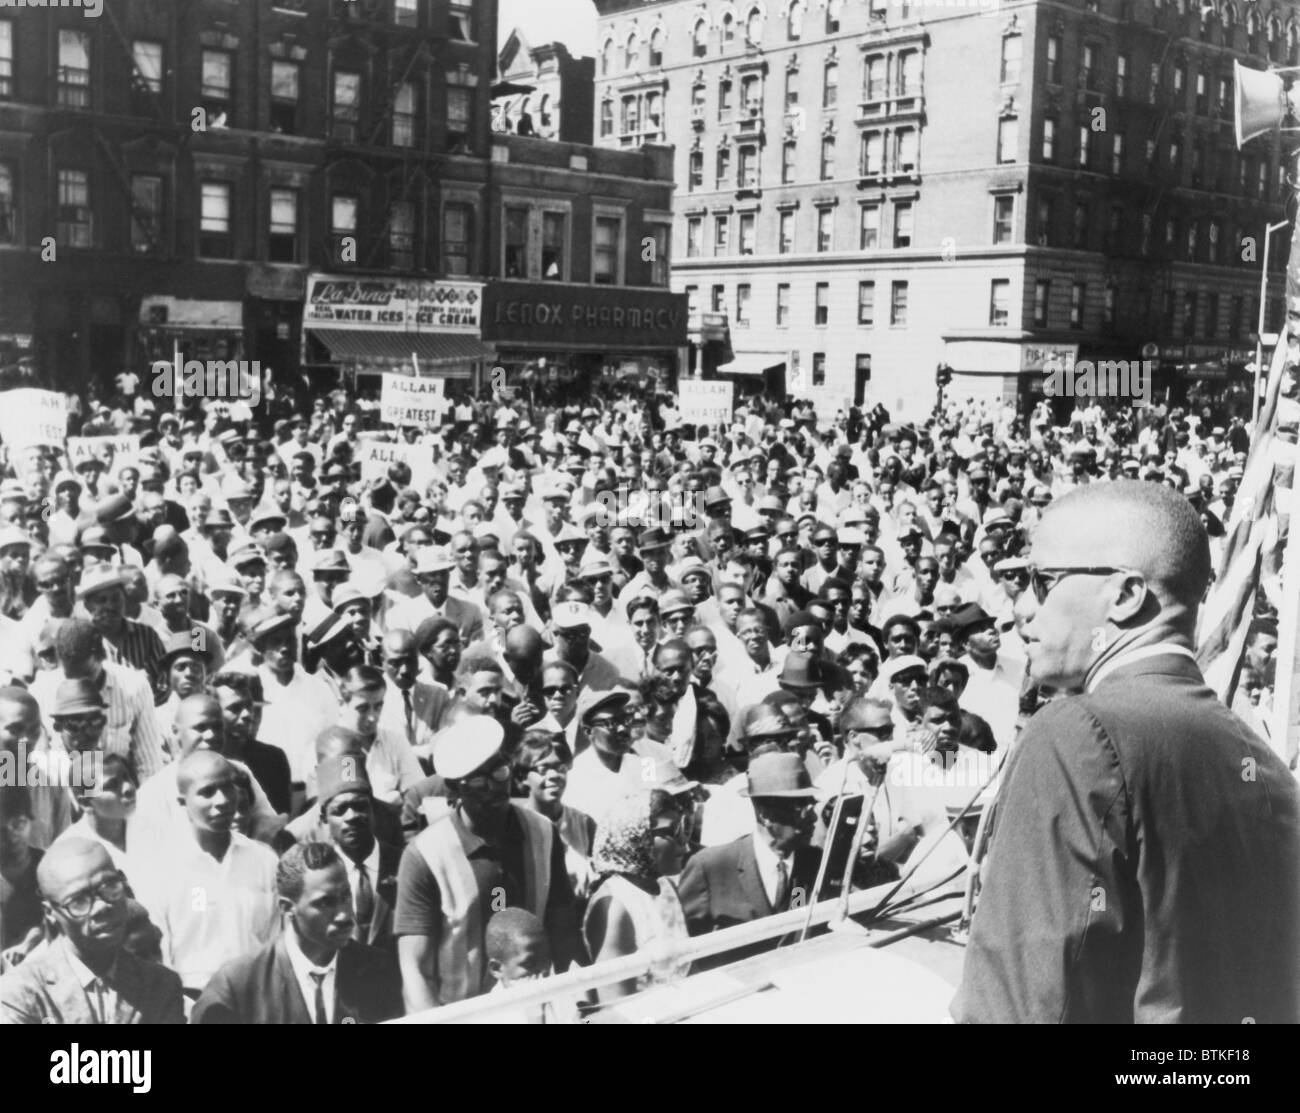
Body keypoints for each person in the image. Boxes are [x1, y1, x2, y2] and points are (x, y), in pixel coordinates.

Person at [954, 481, 1300, 1024]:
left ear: (1124, 596)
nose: (1022, 608)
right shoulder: (1267, 765)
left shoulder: (1075, 735)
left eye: (1041, 582)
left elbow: (1018, 1009)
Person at [393, 718, 583, 1011]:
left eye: (499, 770)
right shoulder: (424, 855)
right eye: (480, 780)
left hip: (535, 1008)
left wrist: (581, 1007)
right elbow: (414, 971)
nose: (494, 786)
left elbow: (565, 936)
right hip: (459, 1015)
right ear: (455, 788)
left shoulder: (544, 833)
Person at [192, 841, 403, 1024]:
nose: (344, 915)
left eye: (346, 897)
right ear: (286, 908)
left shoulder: (379, 970)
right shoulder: (236, 988)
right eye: (325, 903)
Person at [134, 751, 280, 996]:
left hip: (256, 999)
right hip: (190, 1001)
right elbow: (156, 956)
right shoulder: (159, 869)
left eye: (227, 788)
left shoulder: (264, 861)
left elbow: (277, 940)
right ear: (182, 803)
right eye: (207, 792)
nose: (222, 800)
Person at [0, 839, 184, 1023]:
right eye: (79, 901)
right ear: (50, 913)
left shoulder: (161, 985)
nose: (101, 906)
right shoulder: (19, 993)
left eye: (110, 886)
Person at [677, 752, 822, 966]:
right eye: (800, 806)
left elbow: (797, 913)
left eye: (812, 803)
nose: (813, 816)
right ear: (765, 815)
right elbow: (684, 950)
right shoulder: (711, 867)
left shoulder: (812, 862)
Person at [582, 789, 690, 1001]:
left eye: (683, 829)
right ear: (637, 837)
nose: (684, 844)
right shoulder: (614, 907)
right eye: (672, 832)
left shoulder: (666, 887)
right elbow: (616, 1004)